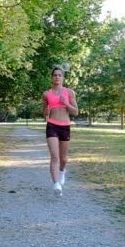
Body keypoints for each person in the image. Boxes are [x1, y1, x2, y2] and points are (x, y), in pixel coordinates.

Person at [42, 66, 78, 197]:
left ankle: (62, 172)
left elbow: (75, 112)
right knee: (55, 157)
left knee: (63, 159)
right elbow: (44, 111)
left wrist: (66, 103)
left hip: (65, 126)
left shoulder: (69, 92)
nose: (57, 77)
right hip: (51, 125)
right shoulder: (46, 94)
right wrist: (46, 110)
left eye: (59, 75)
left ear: (63, 78)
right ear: (51, 78)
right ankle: (56, 184)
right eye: (55, 75)